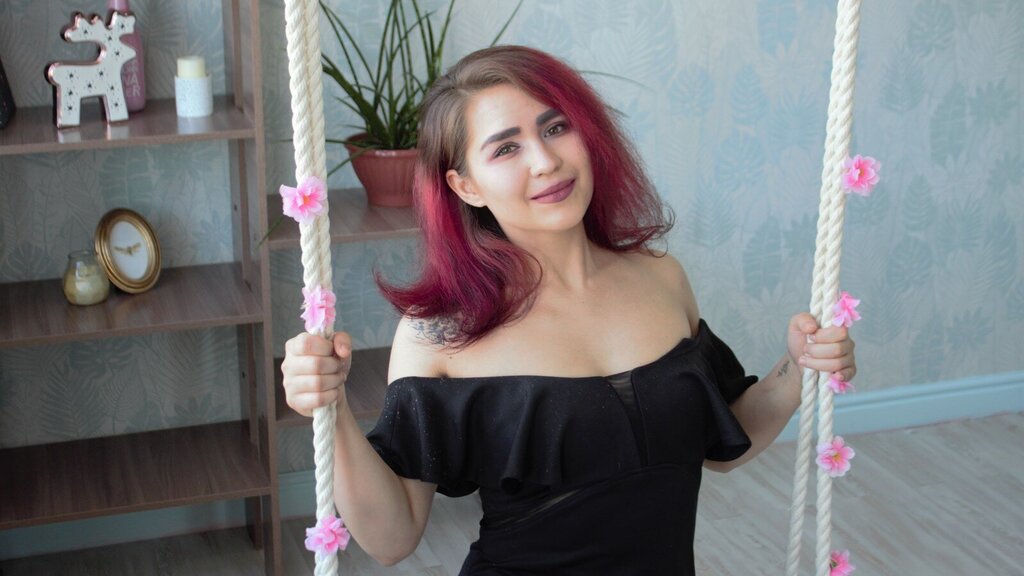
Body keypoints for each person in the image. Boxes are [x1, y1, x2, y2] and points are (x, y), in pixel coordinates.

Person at [281, 45, 857, 575]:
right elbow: (393, 537)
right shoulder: (440, 333)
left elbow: (722, 445)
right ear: (466, 186)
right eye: (506, 147)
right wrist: (330, 409)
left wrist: (798, 366)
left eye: (556, 127)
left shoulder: (661, 277)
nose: (545, 160)